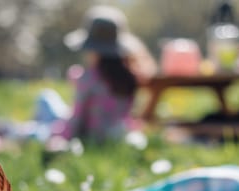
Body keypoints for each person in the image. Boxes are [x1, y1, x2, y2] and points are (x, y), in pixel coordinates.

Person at [41, 5, 157, 145]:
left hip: (88, 135)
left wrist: (59, 137)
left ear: (93, 49)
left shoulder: (89, 78)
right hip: (113, 135)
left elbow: (77, 118)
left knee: (45, 99)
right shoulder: (129, 78)